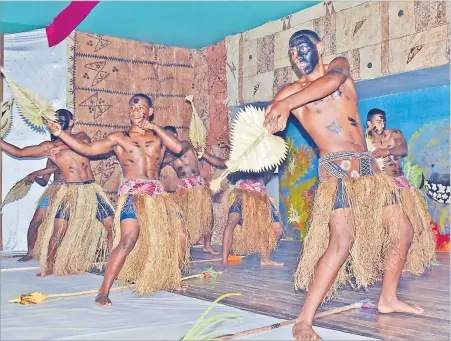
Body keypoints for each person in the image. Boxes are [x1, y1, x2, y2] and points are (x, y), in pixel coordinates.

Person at [264, 30, 435, 340]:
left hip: (369, 172)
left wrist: (286, 104)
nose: (297, 57)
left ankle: (388, 298)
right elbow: (267, 123)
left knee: (403, 230)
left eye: (302, 49)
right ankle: (303, 320)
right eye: (291, 54)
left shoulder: (337, 69)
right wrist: (270, 124)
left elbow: (328, 83)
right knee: (341, 242)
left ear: (318, 46)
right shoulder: (288, 92)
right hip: (337, 172)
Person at [46, 94, 189, 306]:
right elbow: (88, 149)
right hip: (133, 195)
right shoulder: (119, 138)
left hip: (157, 197)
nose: (135, 110)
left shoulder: (159, 136)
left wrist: (154, 126)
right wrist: (61, 134)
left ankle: (170, 278)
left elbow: (178, 148)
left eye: (140, 107)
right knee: (128, 239)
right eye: (132, 107)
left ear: (150, 111)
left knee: (175, 235)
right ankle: (103, 291)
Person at [1, 109, 114, 277]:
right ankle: (49, 265)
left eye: (63, 119)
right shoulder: (49, 147)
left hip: (91, 190)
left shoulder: (82, 137)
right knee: (59, 229)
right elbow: (19, 152)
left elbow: (82, 146)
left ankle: (113, 263)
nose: (59, 121)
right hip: (70, 191)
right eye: (56, 120)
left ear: (72, 121)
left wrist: (61, 141)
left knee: (110, 224)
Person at [162, 125, 227, 255]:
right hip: (183, 189)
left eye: (170, 136)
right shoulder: (167, 156)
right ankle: (182, 244)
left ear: (175, 136)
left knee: (208, 215)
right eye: (165, 137)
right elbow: (157, 163)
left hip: (198, 186)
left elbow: (179, 151)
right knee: (181, 217)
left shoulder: (184, 145)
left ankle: (207, 245)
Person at [220, 171, 284, 269]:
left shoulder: (266, 160)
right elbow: (227, 167)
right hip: (242, 195)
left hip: (261, 196)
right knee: (231, 221)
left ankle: (265, 259)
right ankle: (224, 260)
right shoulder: (241, 159)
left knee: (278, 229)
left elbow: (267, 176)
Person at [17, 160, 63, 263]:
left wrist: (34, 174)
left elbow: (56, 168)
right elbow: (44, 182)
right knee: (35, 223)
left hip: (67, 192)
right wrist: (34, 178)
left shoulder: (71, 153)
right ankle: (30, 253)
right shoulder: (51, 159)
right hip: (53, 190)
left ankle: (57, 256)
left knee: (61, 227)